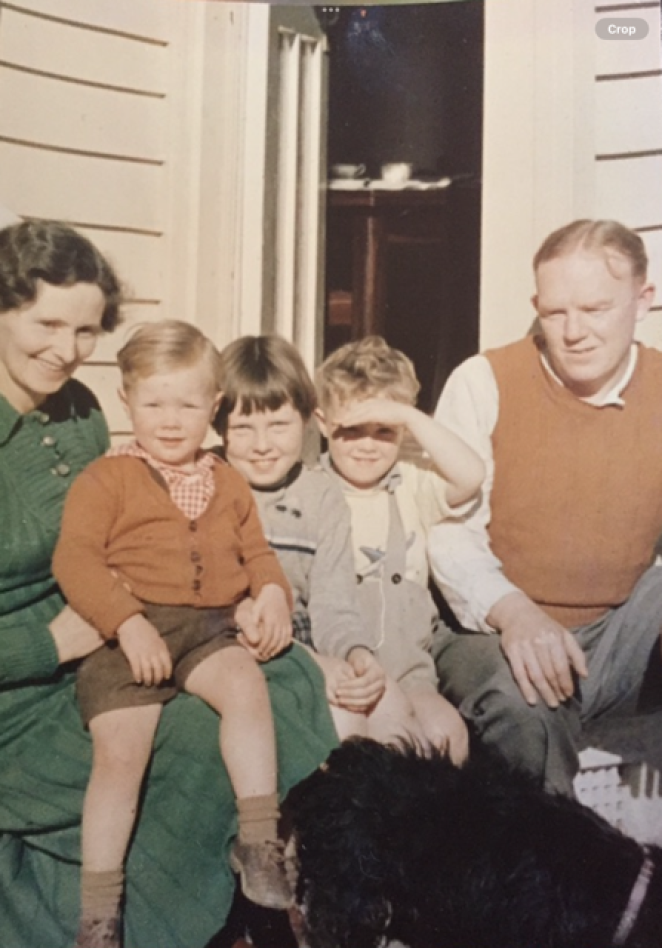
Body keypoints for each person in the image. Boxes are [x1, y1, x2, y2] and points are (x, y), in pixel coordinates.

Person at [0, 221, 337, 948]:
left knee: (281, 683)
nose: (66, 349)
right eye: (46, 323)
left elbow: (163, 533)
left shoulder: (78, 413)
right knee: (177, 746)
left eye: (86, 329)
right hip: (19, 700)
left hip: (117, 642)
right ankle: (118, 920)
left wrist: (260, 591)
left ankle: (259, 890)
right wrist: (45, 640)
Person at [53, 321, 299, 946]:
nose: (170, 420)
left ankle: (258, 840)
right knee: (121, 754)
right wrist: (126, 623)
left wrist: (270, 592)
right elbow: (75, 562)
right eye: (154, 403)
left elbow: (258, 553)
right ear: (125, 400)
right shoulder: (106, 480)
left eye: (188, 404)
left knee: (246, 684)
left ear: (213, 407)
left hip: (208, 632)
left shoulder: (227, 479)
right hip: (125, 635)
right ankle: (99, 911)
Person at [428, 219, 661, 797]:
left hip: (617, 629)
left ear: (644, 300)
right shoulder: (485, 380)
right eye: (556, 313)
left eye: (595, 309)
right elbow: (447, 533)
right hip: (491, 629)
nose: (574, 332)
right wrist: (516, 613)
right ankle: (550, 876)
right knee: (523, 708)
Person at [217, 334, 427, 745]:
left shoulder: (323, 495)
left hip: (312, 641)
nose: (262, 446)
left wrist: (356, 655)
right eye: (242, 428)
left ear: (308, 420)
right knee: (345, 724)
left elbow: (335, 603)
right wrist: (314, 664)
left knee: (395, 716)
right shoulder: (213, 485)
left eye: (279, 425)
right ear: (220, 427)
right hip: (237, 645)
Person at [314, 336, 486, 762]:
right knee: (376, 750)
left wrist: (407, 414)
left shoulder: (410, 485)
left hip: (410, 674)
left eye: (384, 431)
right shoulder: (311, 491)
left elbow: (471, 474)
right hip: (345, 676)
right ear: (322, 424)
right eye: (351, 430)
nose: (367, 445)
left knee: (447, 736)